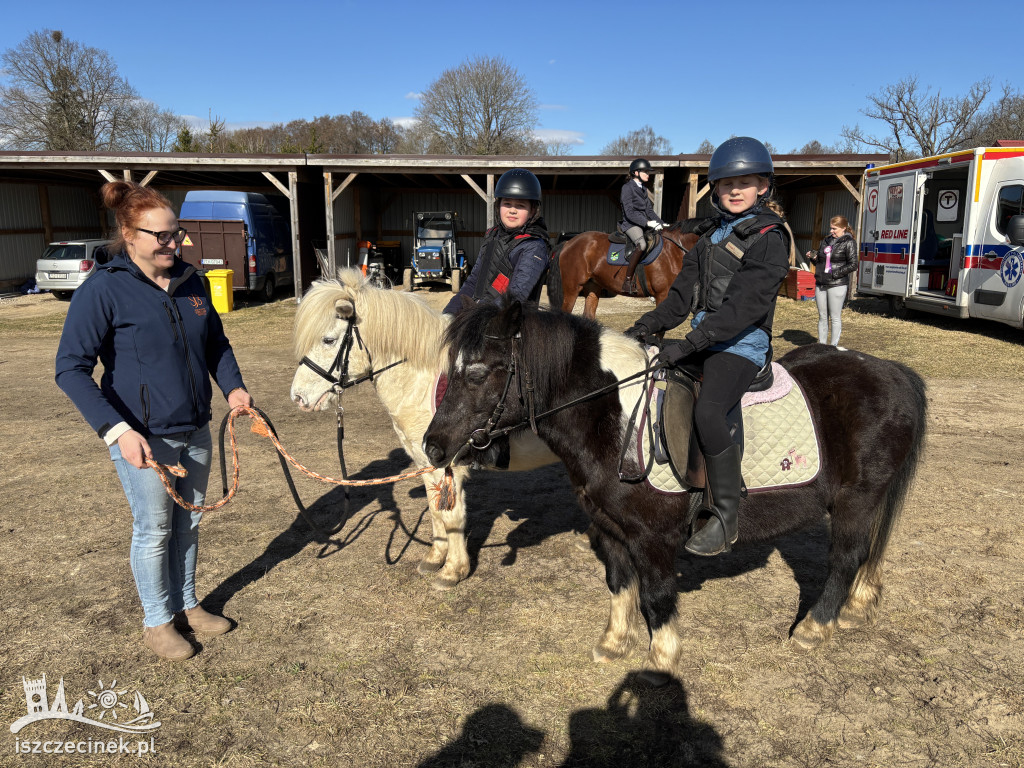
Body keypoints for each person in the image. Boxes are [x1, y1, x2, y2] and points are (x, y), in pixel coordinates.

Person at [55, 181, 253, 661]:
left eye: (176, 234)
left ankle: (187, 604)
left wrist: (234, 387)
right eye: (160, 236)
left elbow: (215, 345)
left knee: (188, 523)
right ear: (128, 233)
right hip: (141, 437)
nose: (172, 244)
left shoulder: (193, 282)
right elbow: (70, 369)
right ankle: (157, 621)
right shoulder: (103, 290)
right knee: (154, 529)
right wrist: (117, 431)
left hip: (196, 427)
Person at [623, 137, 791, 556]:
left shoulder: (770, 238)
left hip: (742, 343)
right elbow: (680, 300)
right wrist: (644, 327)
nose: (736, 191)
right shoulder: (711, 238)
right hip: (706, 337)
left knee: (710, 408)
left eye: (746, 182)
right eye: (727, 183)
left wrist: (690, 344)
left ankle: (726, 518)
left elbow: (743, 308)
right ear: (715, 188)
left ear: (763, 187)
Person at [444, 169, 550, 315]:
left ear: (532, 211)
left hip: (511, 323)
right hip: (483, 315)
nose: (512, 210)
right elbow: (473, 282)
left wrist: (478, 316)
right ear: (498, 205)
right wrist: (449, 313)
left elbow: (516, 295)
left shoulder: (534, 246)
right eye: (507, 203)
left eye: (520, 206)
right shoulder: (492, 237)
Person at [619, 158, 668, 294]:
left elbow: (649, 211)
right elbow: (629, 213)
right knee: (642, 244)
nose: (648, 174)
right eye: (645, 171)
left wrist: (661, 223)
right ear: (636, 172)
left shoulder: (644, 189)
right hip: (630, 224)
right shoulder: (627, 188)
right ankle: (627, 281)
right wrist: (646, 223)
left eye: (648, 172)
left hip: (643, 223)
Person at [806, 216, 857, 346]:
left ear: (844, 228)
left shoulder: (849, 242)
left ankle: (833, 347)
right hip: (821, 283)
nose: (831, 231)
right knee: (822, 317)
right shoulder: (826, 240)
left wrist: (835, 274)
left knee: (835, 317)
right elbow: (820, 260)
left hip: (837, 284)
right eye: (831, 228)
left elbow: (853, 264)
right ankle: (822, 345)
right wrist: (813, 257)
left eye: (834, 228)